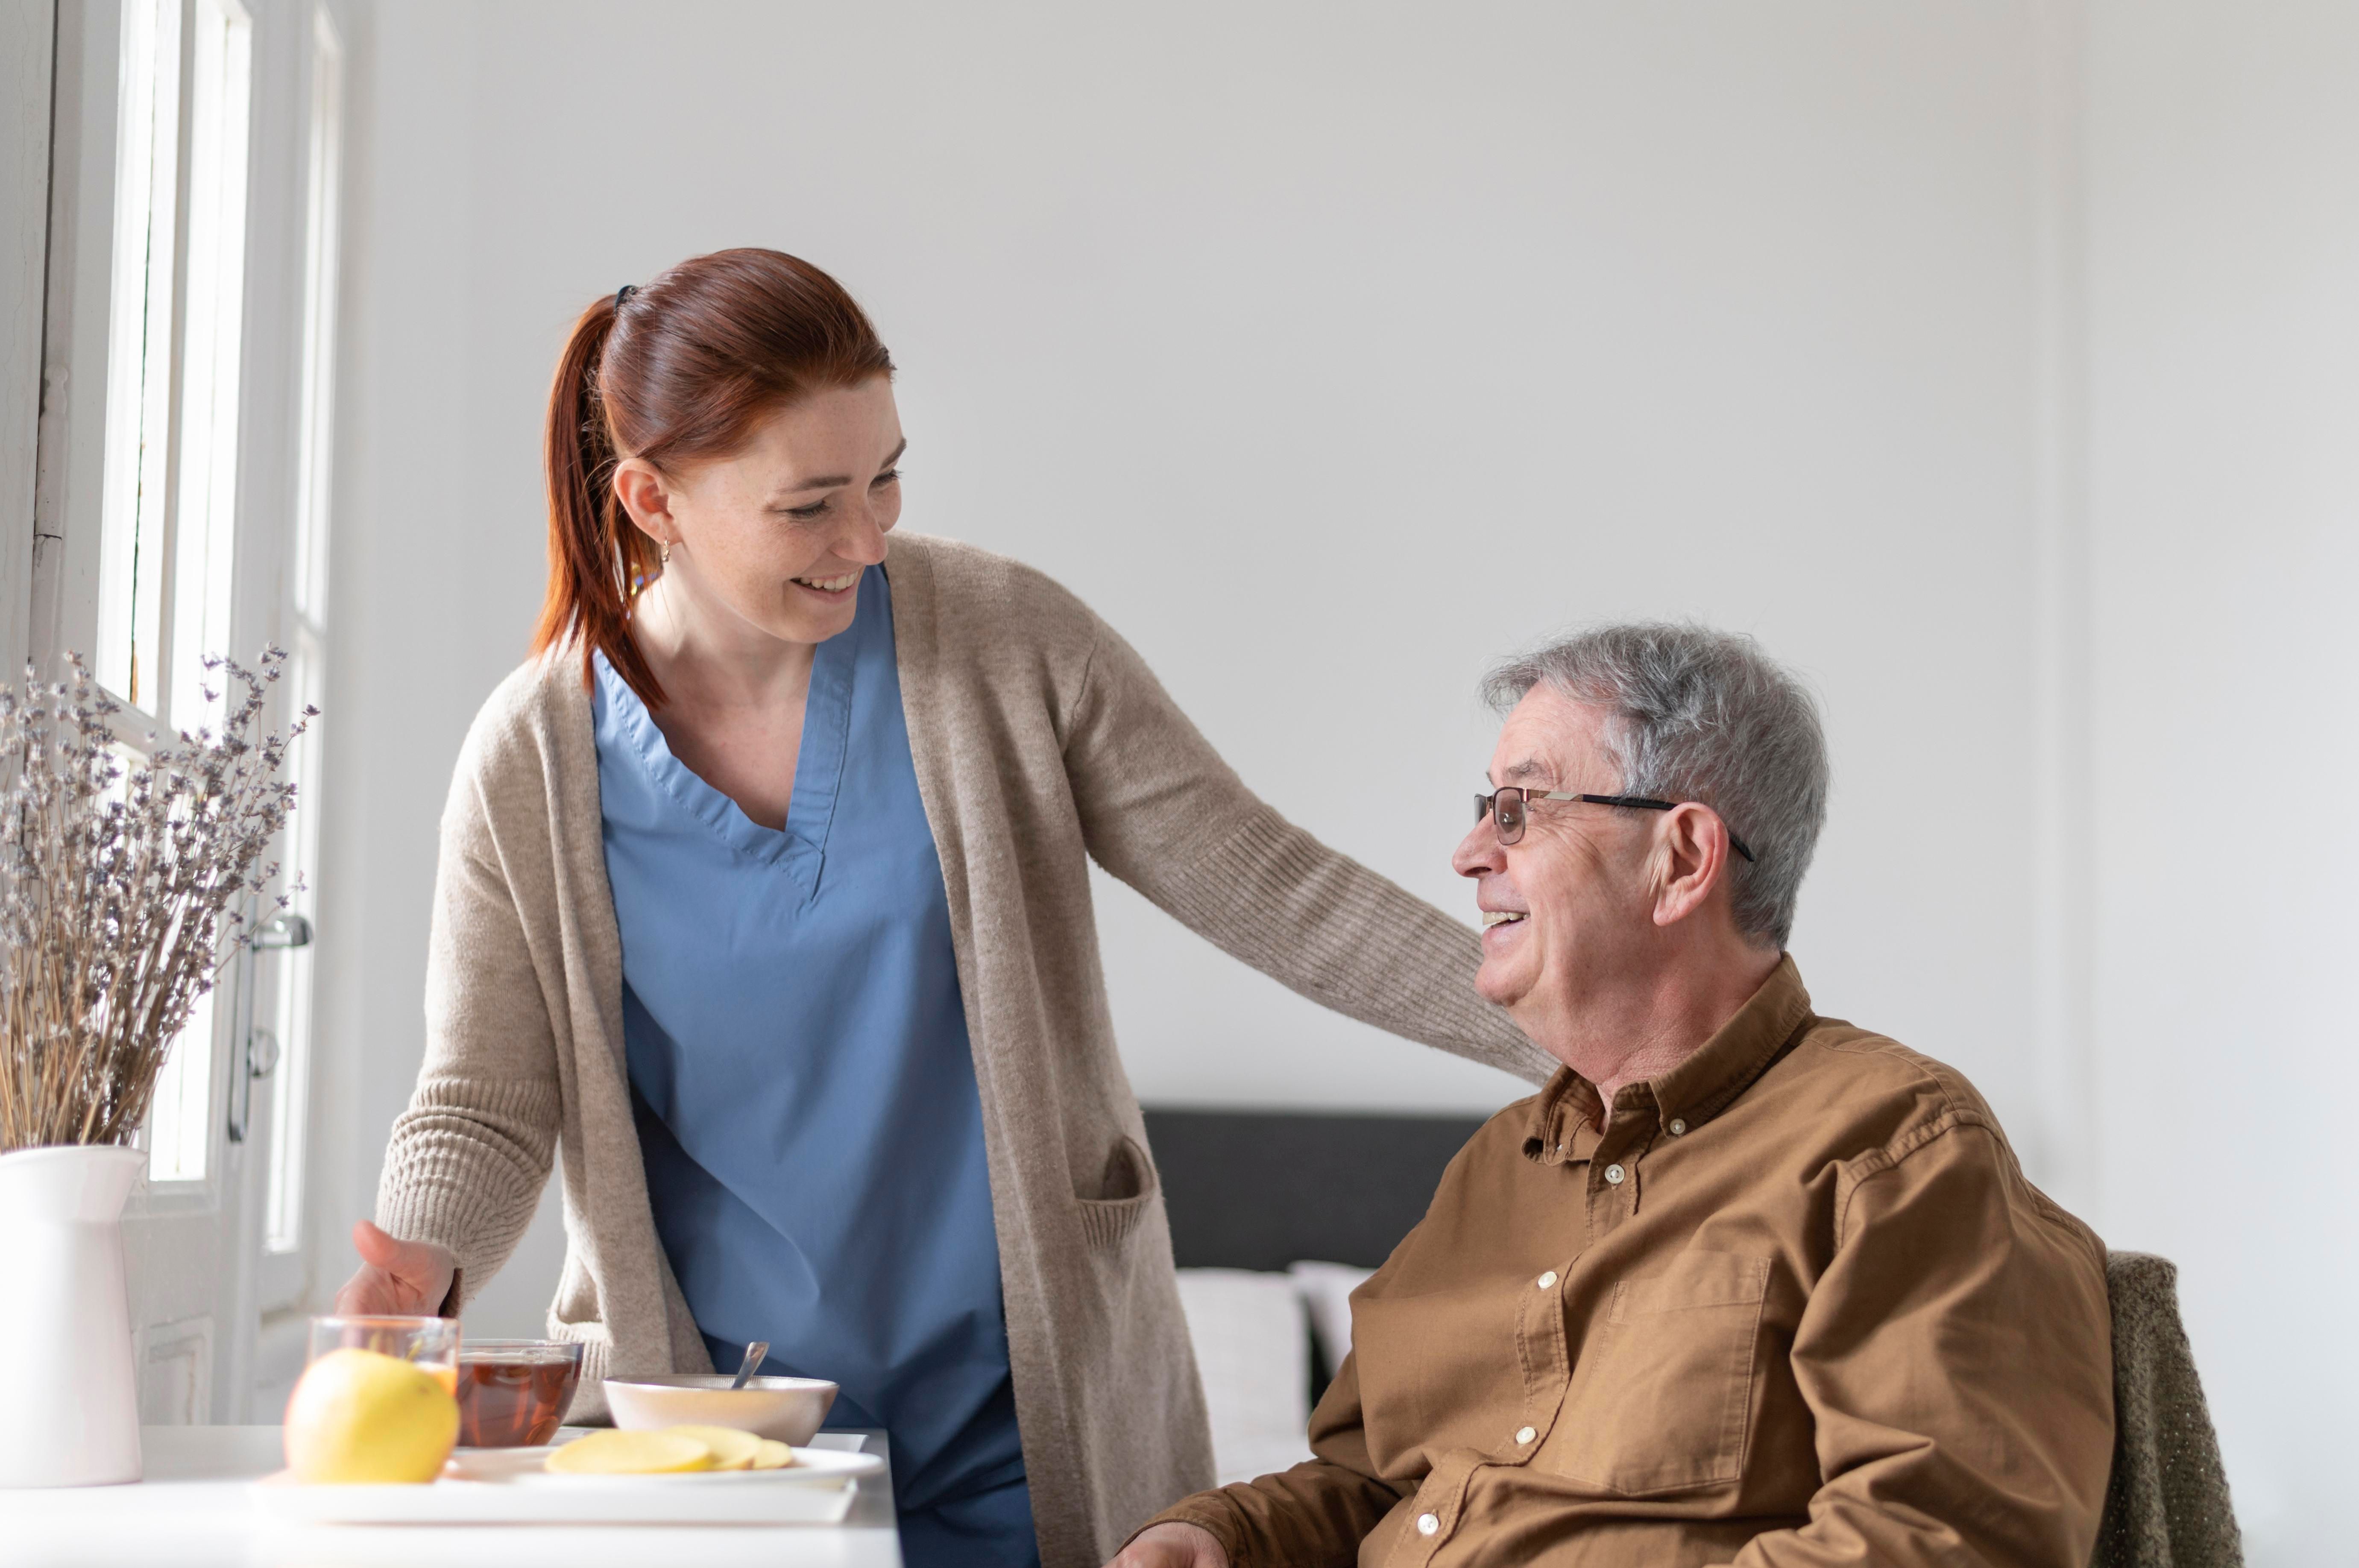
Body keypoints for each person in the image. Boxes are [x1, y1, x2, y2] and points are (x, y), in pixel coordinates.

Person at [334, 249, 1550, 1568]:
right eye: (809, 506)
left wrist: (1580, 1027)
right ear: (651, 501)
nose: (866, 538)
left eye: (885, 478)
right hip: (723, 1440)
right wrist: (423, 1264)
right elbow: (485, 1091)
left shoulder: (1002, 642)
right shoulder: (534, 756)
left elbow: (1275, 891)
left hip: (1028, 1419)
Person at [1116, 624, 2116, 1568]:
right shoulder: (1493, 1169)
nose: (1468, 856)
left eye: (1518, 807)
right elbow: (1377, 1485)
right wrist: (1225, 1537)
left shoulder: (1893, 1147)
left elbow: (1942, 1538)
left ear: (1680, 861)